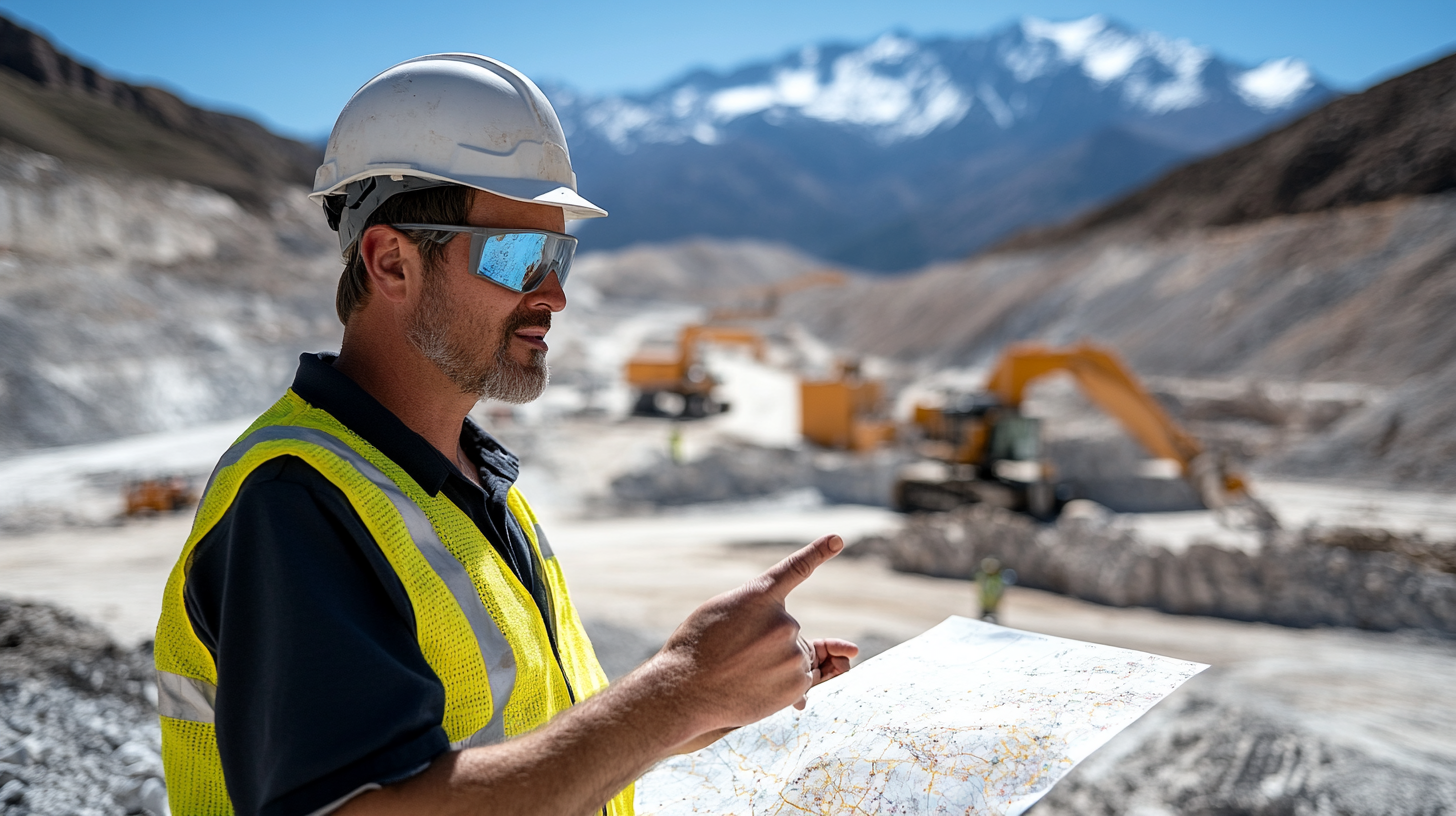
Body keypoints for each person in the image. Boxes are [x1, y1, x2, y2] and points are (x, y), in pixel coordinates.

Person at [152, 54, 858, 816]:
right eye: (520, 256)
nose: (553, 293)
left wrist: (718, 696)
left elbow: (529, 748)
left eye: (559, 255)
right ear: (391, 261)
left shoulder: (470, 480)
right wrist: (674, 694)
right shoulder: (295, 503)